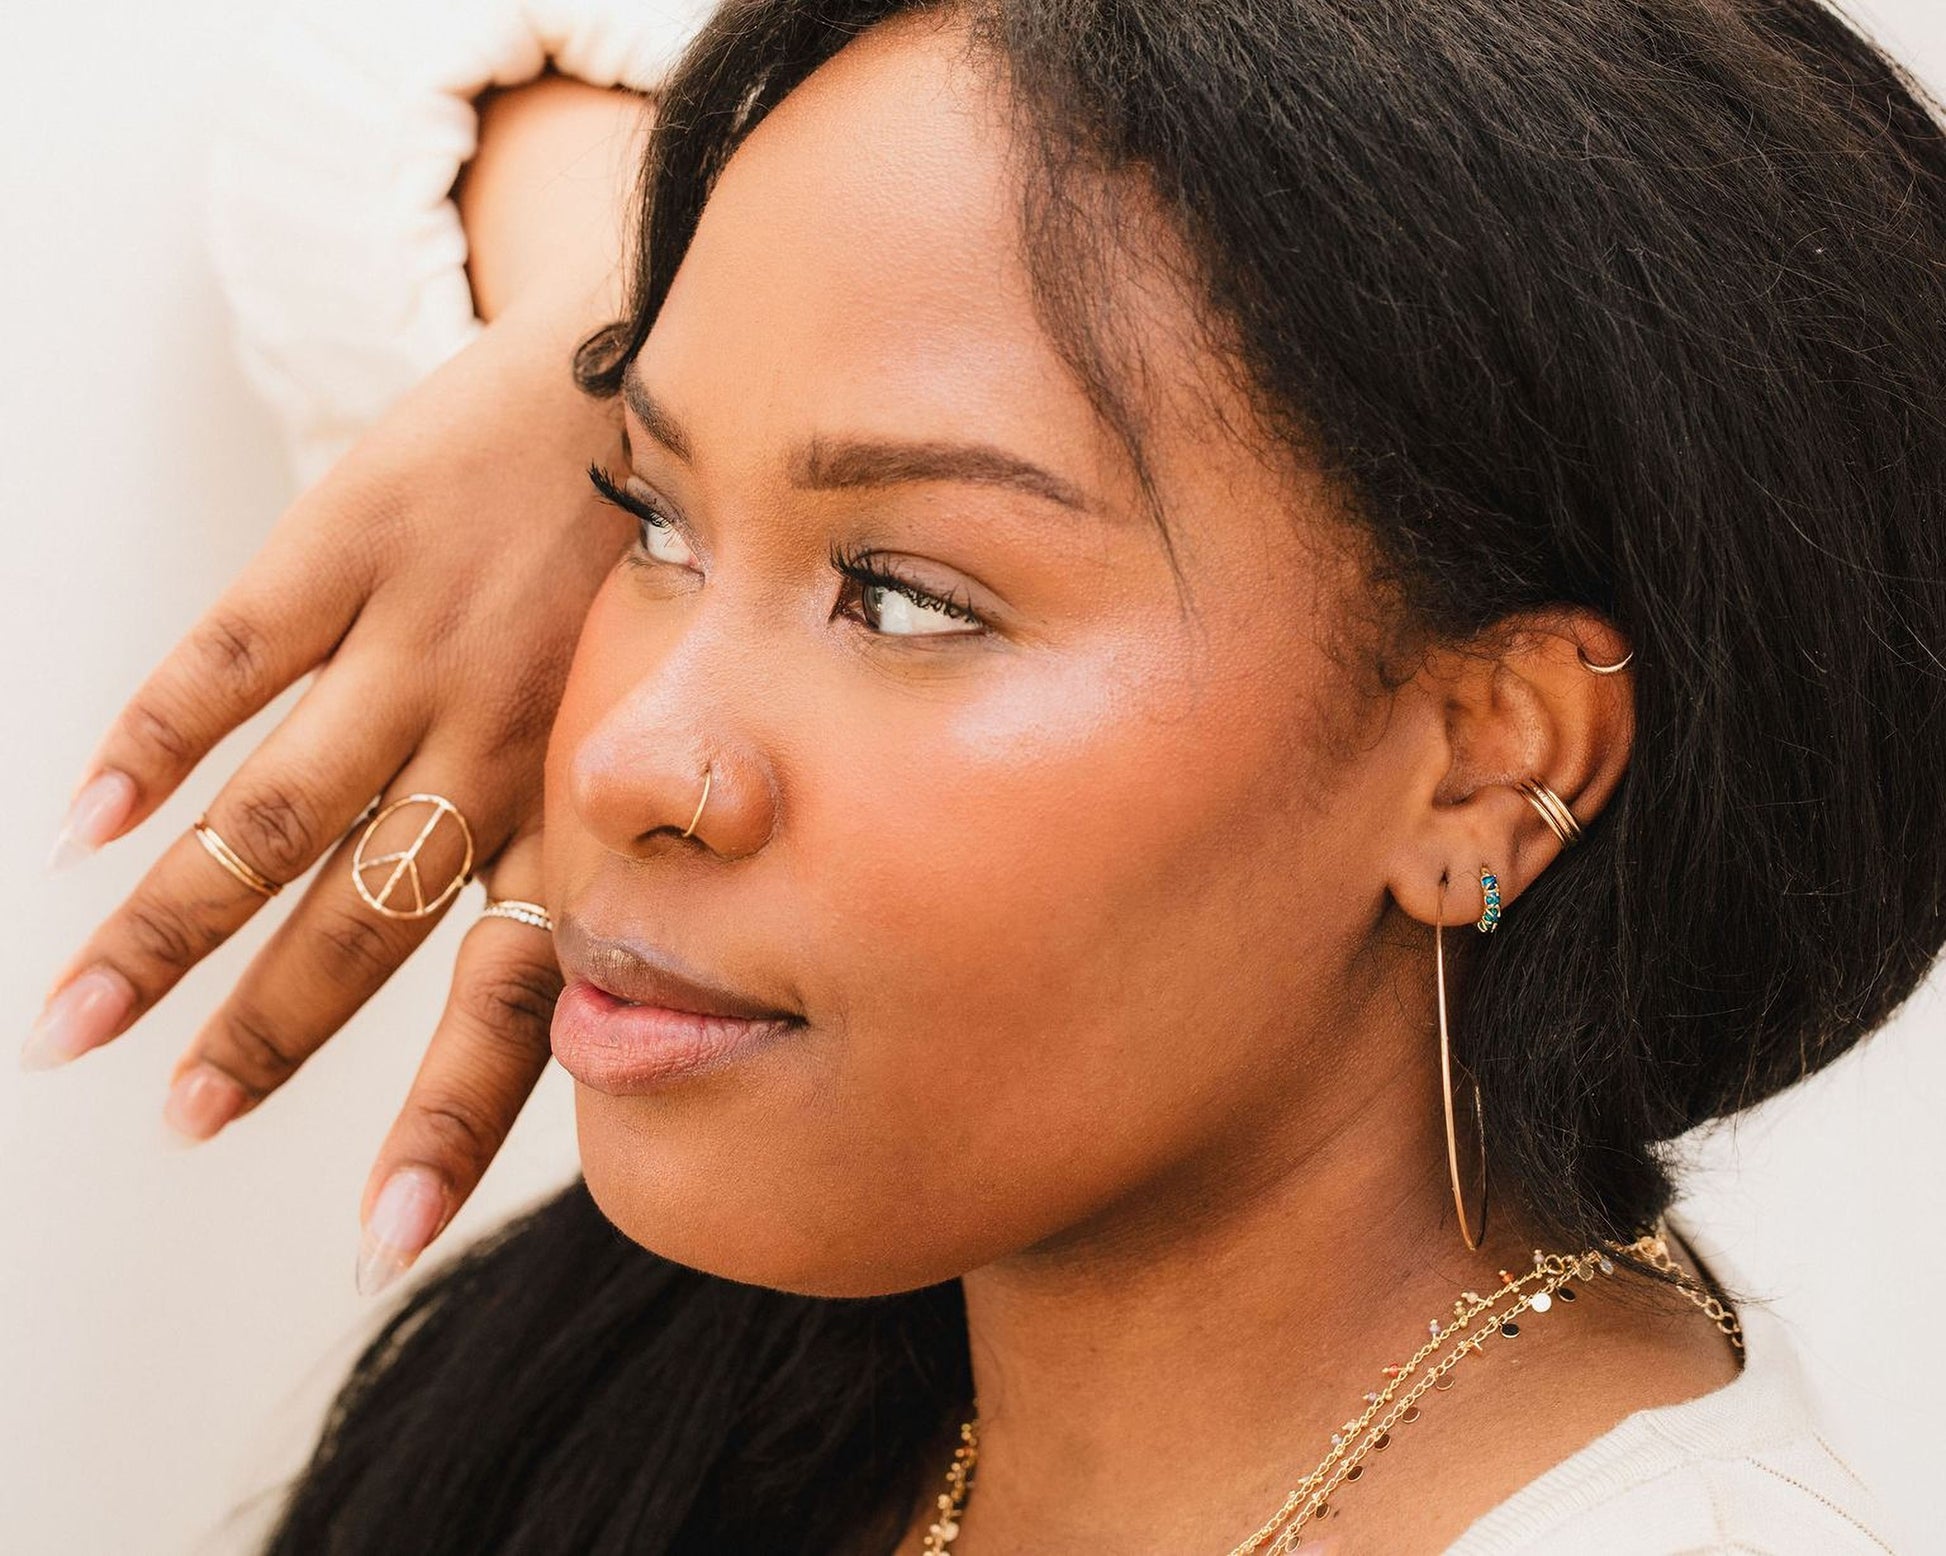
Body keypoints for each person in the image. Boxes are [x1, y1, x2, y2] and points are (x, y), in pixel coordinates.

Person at [25, 0, 1946, 1550]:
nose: (620, 757)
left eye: (907, 597)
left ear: (1484, 770)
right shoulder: (792, 1394)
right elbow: (368, 75)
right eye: (645, 517)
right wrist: (646, 364)